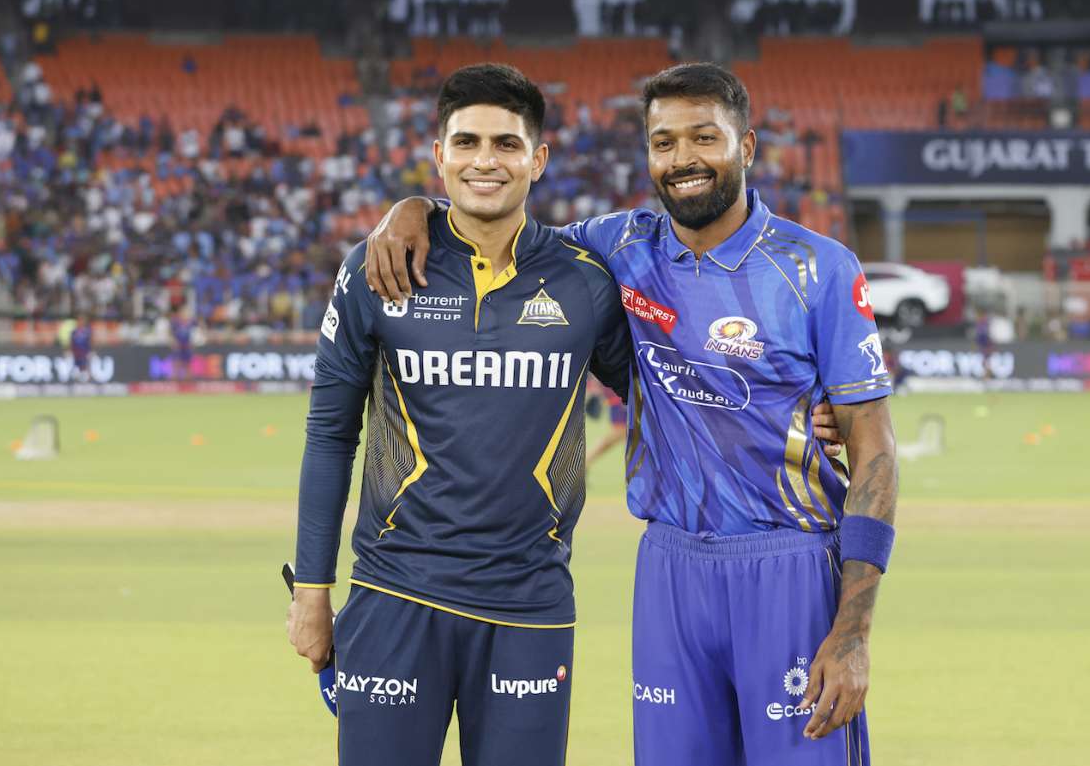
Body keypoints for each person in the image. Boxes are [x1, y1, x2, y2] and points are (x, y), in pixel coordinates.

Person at [367, 63, 897, 766]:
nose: (683, 159)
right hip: (670, 569)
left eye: (704, 137)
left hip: (789, 563)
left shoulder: (818, 268)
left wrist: (854, 631)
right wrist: (416, 208)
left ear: (746, 146)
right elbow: (499, 219)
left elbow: (875, 449)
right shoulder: (618, 245)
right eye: (664, 142)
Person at [285, 64, 635, 766]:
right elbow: (330, 433)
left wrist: (806, 417)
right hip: (394, 594)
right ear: (438, 154)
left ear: (539, 158)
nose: (485, 161)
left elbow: (666, 400)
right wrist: (313, 592)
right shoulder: (377, 268)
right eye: (467, 142)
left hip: (530, 603)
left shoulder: (585, 280)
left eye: (507, 144)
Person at [69, 315, 94, 383]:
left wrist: (90, 351)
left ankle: (86, 382)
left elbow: (90, 342)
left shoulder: (87, 331)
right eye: (79, 320)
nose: (80, 322)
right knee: (76, 368)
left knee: (85, 367)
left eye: (82, 321)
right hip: (76, 353)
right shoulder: (74, 332)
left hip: (84, 353)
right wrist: (70, 351)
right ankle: (76, 382)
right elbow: (71, 342)